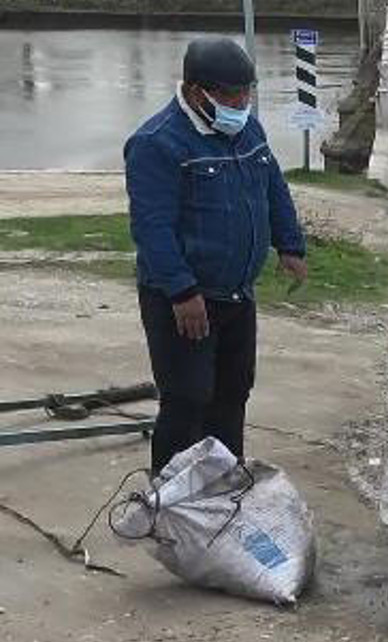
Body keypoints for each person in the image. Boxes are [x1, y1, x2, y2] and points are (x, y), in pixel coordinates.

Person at [124, 37, 307, 474]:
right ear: (194, 91)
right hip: (186, 300)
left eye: (245, 91)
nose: (240, 101)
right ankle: (168, 497)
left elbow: (272, 188)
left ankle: (224, 484)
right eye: (228, 94)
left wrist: (290, 244)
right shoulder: (156, 143)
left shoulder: (250, 130)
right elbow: (152, 228)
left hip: (238, 294)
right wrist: (182, 292)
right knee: (188, 398)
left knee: (232, 392)